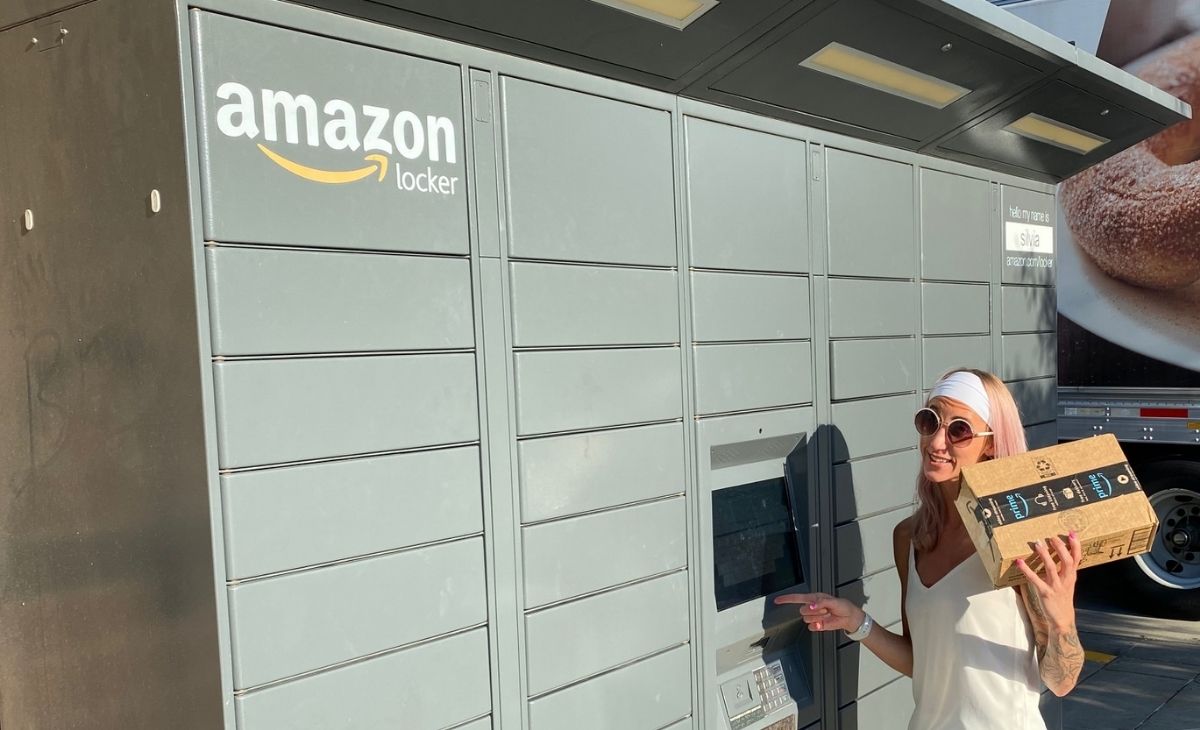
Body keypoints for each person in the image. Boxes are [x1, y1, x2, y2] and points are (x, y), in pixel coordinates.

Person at [777, 368, 1084, 729]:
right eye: (930, 421)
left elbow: (1061, 683)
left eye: (959, 430)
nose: (937, 442)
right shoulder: (909, 537)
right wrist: (856, 621)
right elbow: (921, 663)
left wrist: (1062, 617)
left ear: (990, 444)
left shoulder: (1016, 538)